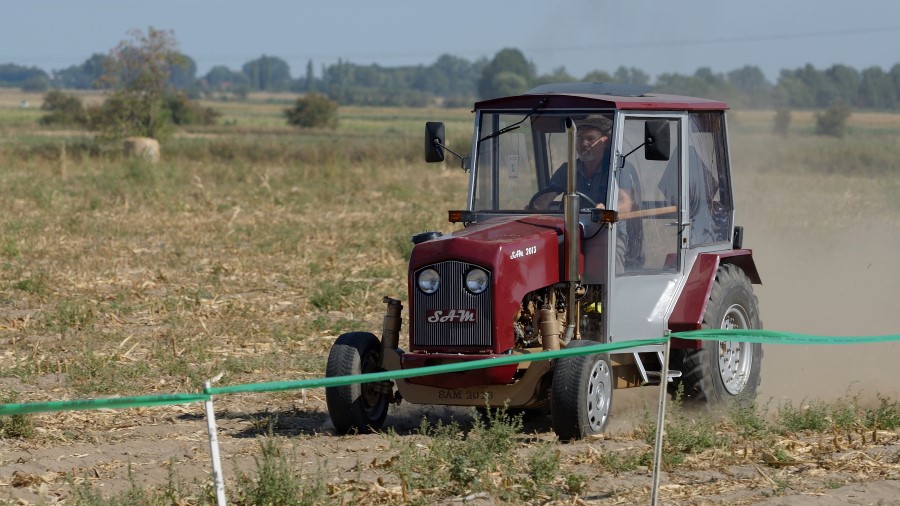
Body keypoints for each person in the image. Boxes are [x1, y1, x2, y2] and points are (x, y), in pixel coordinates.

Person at [530, 114, 644, 270]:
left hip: (609, 232)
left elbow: (627, 204)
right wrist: (534, 210)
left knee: (611, 256)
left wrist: (607, 211)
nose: (583, 143)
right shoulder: (567, 170)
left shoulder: (619, 169)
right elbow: (543, 200)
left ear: (605, 142)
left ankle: (610, 294)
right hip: (572, 232)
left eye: (590, 139)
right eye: (579, 138)